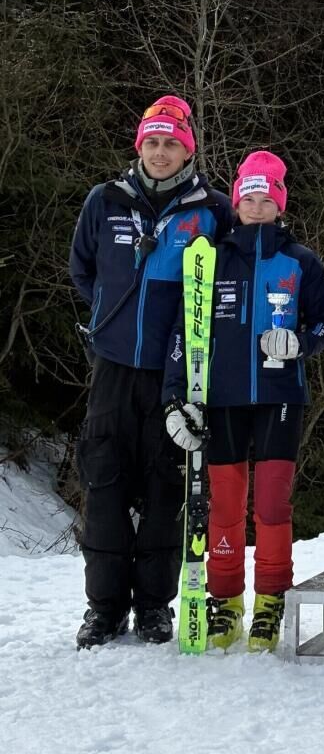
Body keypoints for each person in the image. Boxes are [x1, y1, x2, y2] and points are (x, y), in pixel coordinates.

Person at [69, 95, 234, 649]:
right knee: (105, 483)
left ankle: (154, 606)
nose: (160, 153)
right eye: (153, 143)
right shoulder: (105, 200)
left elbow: (223, 286)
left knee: (168, 484)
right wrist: (109, 321)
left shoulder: (212, 210)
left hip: (176, 373)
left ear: (188, 151)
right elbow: (82, 269)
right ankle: (105, 608)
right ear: (140, 146)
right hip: (113, 369)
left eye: (171, 144)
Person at [162, 151, 324, 652]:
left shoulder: (300, 260)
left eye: (266, 199)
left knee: (274, 503)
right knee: (225, 503)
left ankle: (272, 601)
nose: (257, 208)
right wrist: (175, 396)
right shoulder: (209, 258)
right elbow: (183, 331)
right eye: (249, 199)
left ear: (280, 205)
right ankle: (226, 601)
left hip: (281, 396)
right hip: (222, 397)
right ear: (236, 202)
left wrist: (300, 342)